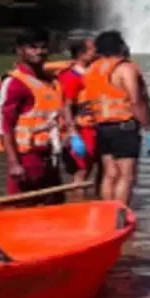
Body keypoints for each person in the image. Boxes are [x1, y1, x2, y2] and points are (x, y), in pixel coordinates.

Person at [0, 28, 78, 205]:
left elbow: (58, 121)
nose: (39, 52)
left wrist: (68, 152)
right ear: (20, 51)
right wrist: (14, 163)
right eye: (33, 47)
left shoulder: (52, 82)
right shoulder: (15, 83)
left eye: (43, 47)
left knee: (54, 206)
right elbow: (4, 125)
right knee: (22, 208)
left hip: (50, 157)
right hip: (27, 159)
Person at [83, 30, 150, 207]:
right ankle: (120, 213)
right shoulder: (125, 68)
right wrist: (148, 128)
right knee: (127, 174)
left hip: (102, 126)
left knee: (110, 173)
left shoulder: (93, 69)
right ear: (120, 45)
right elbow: (135, 100)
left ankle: (106, 211)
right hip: (124, 126)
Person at [55, 38, 99, 199]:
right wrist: (73, 134)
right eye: (93, 50)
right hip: (82, 129)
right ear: (82, 54)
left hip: (94, 127)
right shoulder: (72, 76)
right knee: (81, 171)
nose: (97, 52)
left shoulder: (92, 73)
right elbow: (65, 105)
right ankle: (78, 204)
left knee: (97, 168)